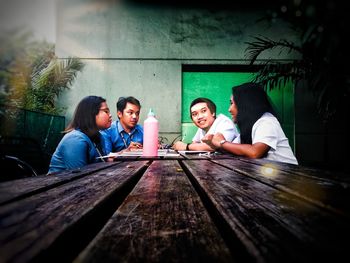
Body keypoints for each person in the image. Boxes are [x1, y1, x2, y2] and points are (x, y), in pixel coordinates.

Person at [202, 82, 298, 165]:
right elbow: (234, 150)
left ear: (244, 104)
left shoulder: (267, 121)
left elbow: (255, 152)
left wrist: (222, 143)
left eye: (231, 103)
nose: (229, 109)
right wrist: (214, 145)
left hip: (289, 178)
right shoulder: (249, 127)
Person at [48, 96, 112, 174]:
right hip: (60, 185)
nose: (110, 115)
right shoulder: (75, 140)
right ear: (91, 113)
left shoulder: (98, 137)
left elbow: (100, 163)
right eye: (106, 111)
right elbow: (79, 176)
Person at [173, 97, 239, 151]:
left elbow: (216, 146)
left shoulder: (224, 122)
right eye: (194, 114)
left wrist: (186, 146)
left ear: (213, 112)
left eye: (203, 111)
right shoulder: (202, 127)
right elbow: (195, 143)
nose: (199, 117)